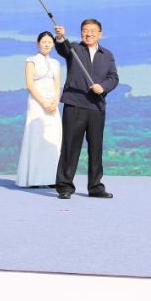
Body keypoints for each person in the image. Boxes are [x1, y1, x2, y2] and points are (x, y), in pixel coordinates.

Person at [53, 19, 119, 199]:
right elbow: (62, 49)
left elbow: (113, 78)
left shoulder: (107, 55)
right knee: (70, 147)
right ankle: (65, 187)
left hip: (97, 106)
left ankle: (95, 187)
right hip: (75, 104)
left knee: (96, 148)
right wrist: (60, 37)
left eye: (92, 30)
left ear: (100, 34)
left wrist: (102, 87)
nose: (88, 34)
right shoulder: (73, 48)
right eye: (84, 30)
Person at [16, 32, 63, 187]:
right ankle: (34, 179)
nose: (47, 44)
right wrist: (43, 103)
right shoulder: (31, 61)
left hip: (53, 105)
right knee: (36, 137)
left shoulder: (56, 63)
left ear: (53, 44)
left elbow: (57, 85)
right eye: (44, 42)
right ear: (38, 43)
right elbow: (30, 85)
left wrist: (55, 102)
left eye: (50, 42)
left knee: (52, 139)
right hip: (37, 103)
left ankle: (52, 178)